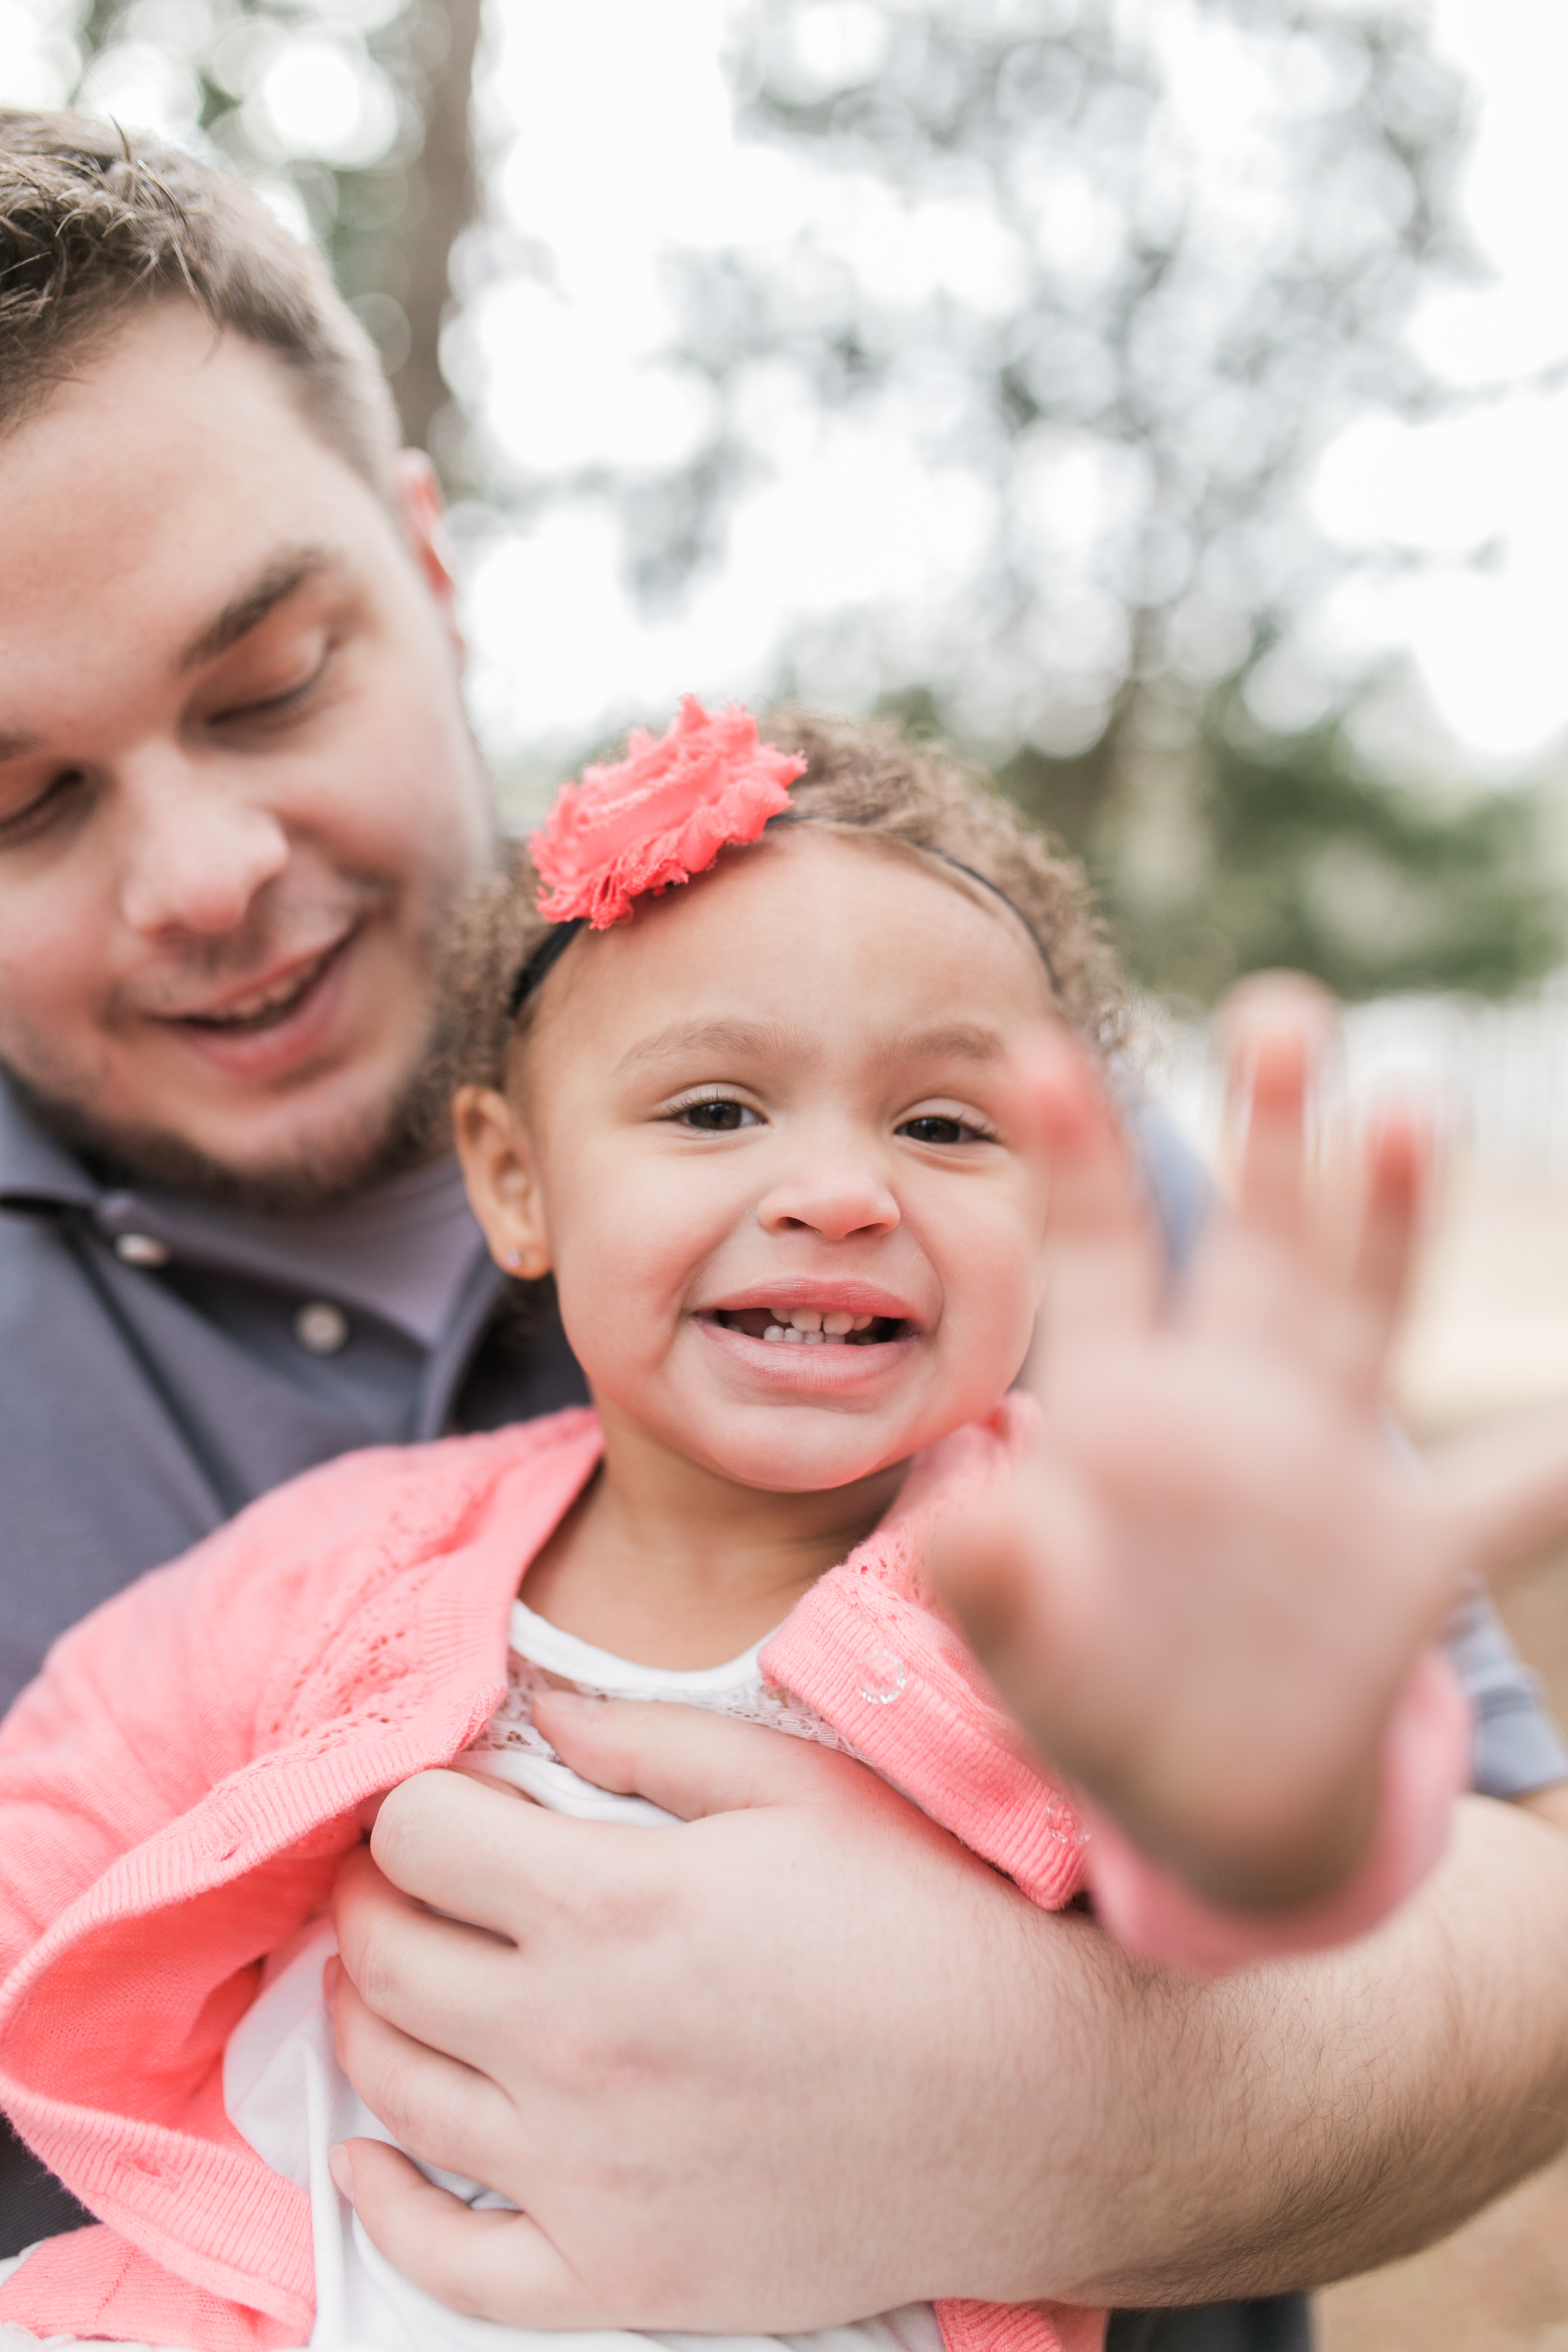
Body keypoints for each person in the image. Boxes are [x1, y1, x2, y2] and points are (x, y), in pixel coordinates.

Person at [3, 106, 1568, 2352]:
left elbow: (1474, 1909)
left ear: (428, 564)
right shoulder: (350, 1542)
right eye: (20, 800)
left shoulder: (999, 1130)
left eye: (272, 687)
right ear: (514, 1172)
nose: (200, 872)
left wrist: (1069, 2103)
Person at [0, 703, 1483, 2349]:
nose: (838, 1191)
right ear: (516, 1182)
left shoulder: (1072, 1569)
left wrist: (1263, 1790)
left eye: (942, 1127)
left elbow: (1234, 1907)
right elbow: (67, 1797)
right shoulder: (357, 1562)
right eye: (714, 1111)